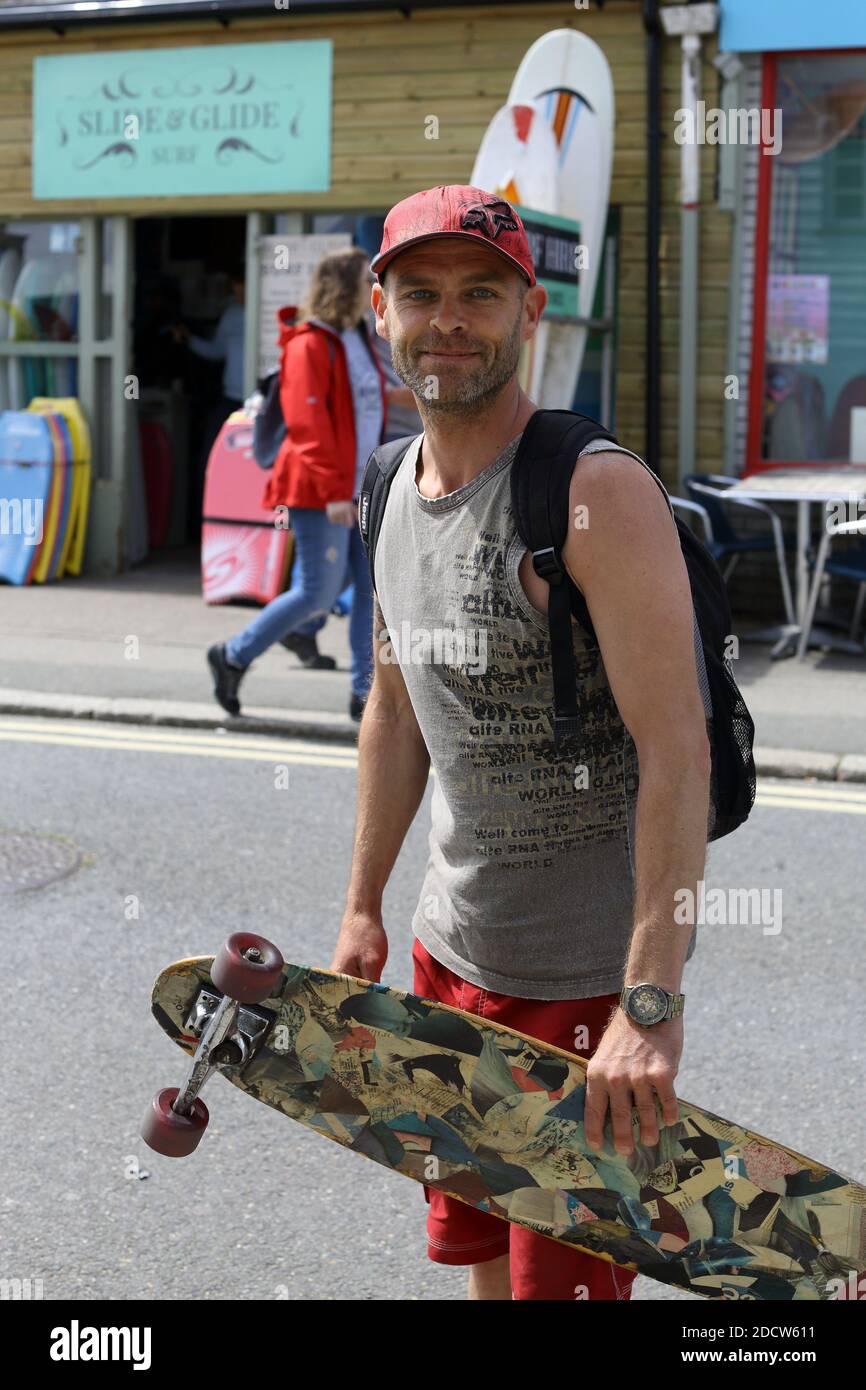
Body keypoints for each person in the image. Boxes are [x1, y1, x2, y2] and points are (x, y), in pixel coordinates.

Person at [329, 186, 710, 1301]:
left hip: (581, 985)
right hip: (450, 958)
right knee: (480, 1262)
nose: (448, 320)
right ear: (378, 311)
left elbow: (675, 752)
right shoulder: (388, 486)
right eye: (421, 294)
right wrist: (364, 905)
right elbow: (393, 712)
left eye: (479, 294)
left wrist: (649, 1005)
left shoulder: (591, 492)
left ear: (528, 311)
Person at [207, 248, 389, 721]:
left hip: (354, 486)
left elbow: (360, 405)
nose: (378, 291)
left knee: (369, 592)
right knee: (317, 592)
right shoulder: (310, 342)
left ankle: (362, 694)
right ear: (345, 287)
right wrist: (334, 491)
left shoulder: (354, 337)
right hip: (319, 490)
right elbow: (308, 424)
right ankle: (231, 655)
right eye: (368, 281)